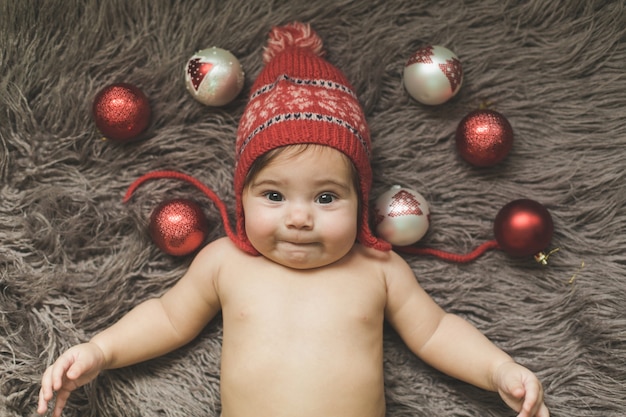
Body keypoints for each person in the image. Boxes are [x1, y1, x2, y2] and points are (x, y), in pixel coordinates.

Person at [38, 22, 549, 417]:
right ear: (242, 198)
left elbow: (435, 332)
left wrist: (498, 370)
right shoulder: (226, 263)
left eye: (327, 198)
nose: (300, 218)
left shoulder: (376, 267)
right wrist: (100, 351)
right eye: (275, 195)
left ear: (361, 198)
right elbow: (168, 318)